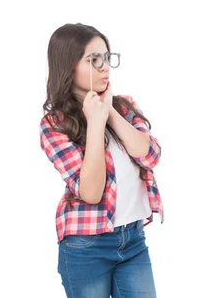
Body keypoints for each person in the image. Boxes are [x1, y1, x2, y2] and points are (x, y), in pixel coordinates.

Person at [40, 23, 163, 298]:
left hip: (133, 240)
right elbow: (91, 193)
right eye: (94, 60)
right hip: (86, 244)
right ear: (68, 66)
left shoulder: (124, 106)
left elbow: (151, 156)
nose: (104, 67)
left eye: (107, 58)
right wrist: (95, 124)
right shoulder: (55, 124)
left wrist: (110, 113)